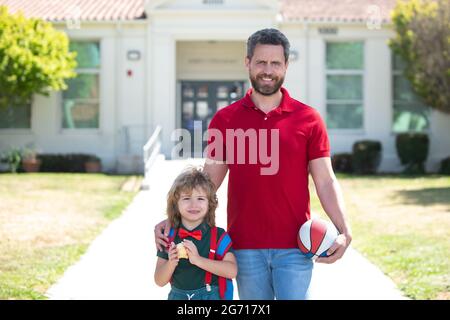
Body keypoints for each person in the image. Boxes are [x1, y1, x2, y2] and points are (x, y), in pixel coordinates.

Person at [154, 28, 352, 300]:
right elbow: (207, 182)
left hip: (295, 247)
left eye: (275, 63)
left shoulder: (309, 119)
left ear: (286, 65)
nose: (267, 70)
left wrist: (344, 229)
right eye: (260, 62)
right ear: (247, 62)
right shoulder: (225, 120)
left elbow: (326, 180)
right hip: (244, 249)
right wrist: (172, 219)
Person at [154, 166, 237, 300]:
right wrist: (171, 263)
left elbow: (231, 271)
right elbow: (159, 280)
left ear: (210, 203)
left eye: (200, 198)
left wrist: (198, 260)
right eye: (186, 198)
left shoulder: (219, 236)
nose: (194, 204)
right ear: (176, 204)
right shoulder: (168, 236)